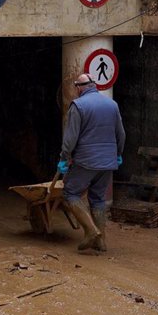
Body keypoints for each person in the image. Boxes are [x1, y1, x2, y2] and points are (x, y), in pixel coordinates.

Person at [58, 73, 125, 252]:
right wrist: (118, 154)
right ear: (94, 85)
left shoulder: (78, 106)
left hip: (86, 161)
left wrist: (64, 158)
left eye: (76, 87)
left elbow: (70, 139)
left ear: (80, 88)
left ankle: (91, 231)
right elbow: (121, 134)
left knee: (70, 193)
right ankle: (101, 241)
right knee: (97, 198)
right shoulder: (112, 105)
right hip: (108, 162)